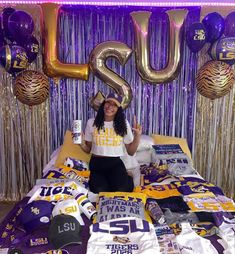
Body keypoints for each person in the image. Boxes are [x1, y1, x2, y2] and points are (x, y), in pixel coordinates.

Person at [80, 93, 142, 194]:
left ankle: (128, 177)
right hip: (97, 163)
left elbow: (130, 152)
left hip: (115, 163)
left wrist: (137, 136)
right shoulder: (91, 122)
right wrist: (81, 144)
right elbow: (88, 150)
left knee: (121, 189)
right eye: (108, 102)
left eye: (114, 105)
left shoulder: (123, 123)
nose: (110, 106)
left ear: (118, 109)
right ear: (103, 104)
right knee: (99, 191)